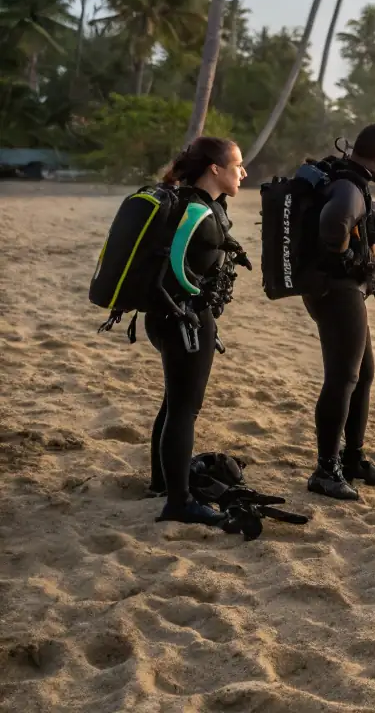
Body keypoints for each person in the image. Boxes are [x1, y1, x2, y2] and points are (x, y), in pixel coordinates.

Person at [147, 136, 250, 525]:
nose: (242, 172)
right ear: (215, 170)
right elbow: (175, 262)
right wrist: (192, 298)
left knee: (174, 402)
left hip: (168, 317)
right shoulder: (196, 211)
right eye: (237, 165)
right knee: (184, 410)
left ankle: (161, 481)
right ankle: (178, 502)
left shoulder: (192, 202)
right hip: (184, 319)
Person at [304, 123, 375, 501]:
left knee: (363, 373)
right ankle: (326, 470)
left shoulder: (349, 180)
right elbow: (333, 227)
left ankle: (353, 457)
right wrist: (352, 260)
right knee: (343, 377)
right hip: (337, 291)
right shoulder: (349, 188)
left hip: (339, 291)